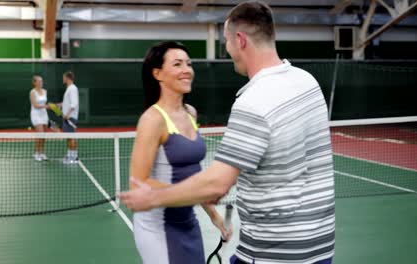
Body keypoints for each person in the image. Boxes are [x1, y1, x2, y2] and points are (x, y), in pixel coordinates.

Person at [120, 2, 335, 264]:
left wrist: (152, 197)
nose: (226, 48)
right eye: (178, 64)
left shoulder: (252, 101)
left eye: (226, 41)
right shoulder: (307, 81)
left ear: (240, 40)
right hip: (320, 248)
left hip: (272, 253)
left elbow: (216, 183)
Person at [130, 41, 231, 264]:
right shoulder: (152, 120)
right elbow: (138, 183)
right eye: (177, 64)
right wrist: (198, 192)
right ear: (158, 74)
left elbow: (192, 174)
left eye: (188, 63)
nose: (187, 70)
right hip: (157, 227)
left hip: (187, 221)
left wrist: (213, 214)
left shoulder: (190, 113)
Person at [60, 71, 79, 164]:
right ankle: (70, 154)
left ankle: (74, 156)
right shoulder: (69, 88)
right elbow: (67, 103)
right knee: (68, 136)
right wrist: (59, 105)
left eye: (64, 77)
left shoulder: (72, 88)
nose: (63, 79)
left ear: (67, 78)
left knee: (71, 136)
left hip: (70, 117)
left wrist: (67, 114)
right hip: (67, 117)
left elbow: (74, 104)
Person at [29, 75, 50, 161]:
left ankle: (42, 153)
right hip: (36, 115)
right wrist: (46, 106)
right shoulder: (32, 92)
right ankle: (36, 153)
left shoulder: (45, 91)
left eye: (42, 81)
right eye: (39, 81)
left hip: (44, 114)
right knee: (40, 134)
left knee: (44, 135)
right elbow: (35, 105)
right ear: (34, 83)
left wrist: (49, 106)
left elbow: (45, 103)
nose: (41, 83)